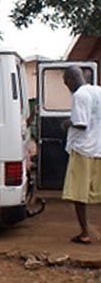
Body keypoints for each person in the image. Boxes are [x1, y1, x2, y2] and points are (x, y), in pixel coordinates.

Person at [61, 66, 101, 245]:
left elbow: (81, 123)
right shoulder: (98, 91)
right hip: (99, 148)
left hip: (83, 149)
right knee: (98, 193)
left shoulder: (79, 95)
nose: (67, 87)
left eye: (65, 82)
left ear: (70, 80)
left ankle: (85, 233)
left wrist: (67, 123)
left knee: (78, 194)